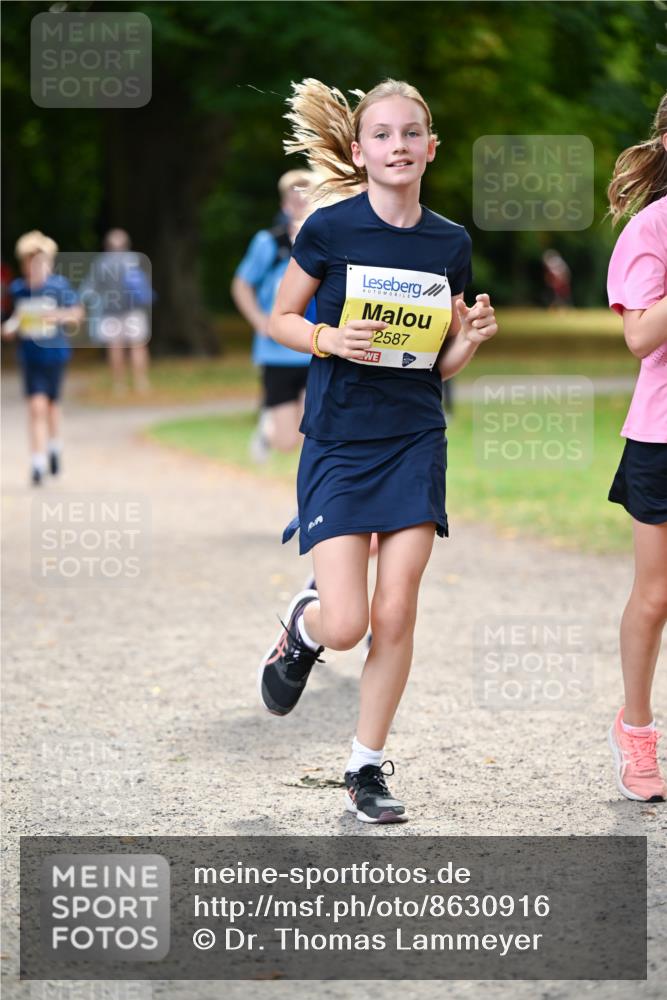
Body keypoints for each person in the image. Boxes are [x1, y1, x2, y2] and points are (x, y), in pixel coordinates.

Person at [257, 78, 497, 823]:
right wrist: (327, 338)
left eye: (411, 133)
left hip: (414, 439)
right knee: (348, 623)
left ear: (431, 147)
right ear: (359, 152)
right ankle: (303, 631)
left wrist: (466, 340)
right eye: (383, 135)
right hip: (338, 440)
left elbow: (436, 364)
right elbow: (279, 317)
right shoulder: (328, 229)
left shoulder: (449, 243)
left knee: (395, 614)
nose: (399, 146)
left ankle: (364, 767)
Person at [606, 92, 667, 803]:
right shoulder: (651, 228)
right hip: (661, 435)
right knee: (655, 597)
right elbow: (639, 336)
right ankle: (636, 730)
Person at [231, 170, 317, 462]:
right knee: (286, 442)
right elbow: (241, 284)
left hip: (315, 349)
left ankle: (305, 489)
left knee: (311, 432)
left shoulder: (326, 241)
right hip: (276, 352)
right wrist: (259, 320)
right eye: (296, 201)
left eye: (308, 199)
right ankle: (267, 432)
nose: (302, 206)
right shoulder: (269, 242)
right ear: (284, 205)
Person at [2, 231, 82, 485]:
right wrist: (10, 327)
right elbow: (14, 319)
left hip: (55, 354)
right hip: (30, 357)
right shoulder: (19, 289)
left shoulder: (59, 287)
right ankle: (37, 462)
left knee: (51, 406)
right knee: (36, 406)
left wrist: (57, 316)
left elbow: (76, 314)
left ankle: (54, 447)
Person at [81, 228, 153, 394]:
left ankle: (119, 385)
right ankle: (141, 382)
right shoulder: (134, 259)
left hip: (111, 311)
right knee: (137, 346)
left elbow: (90, 287)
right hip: (133, 310)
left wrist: (82, 303)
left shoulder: (102, 263)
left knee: (116, 347)